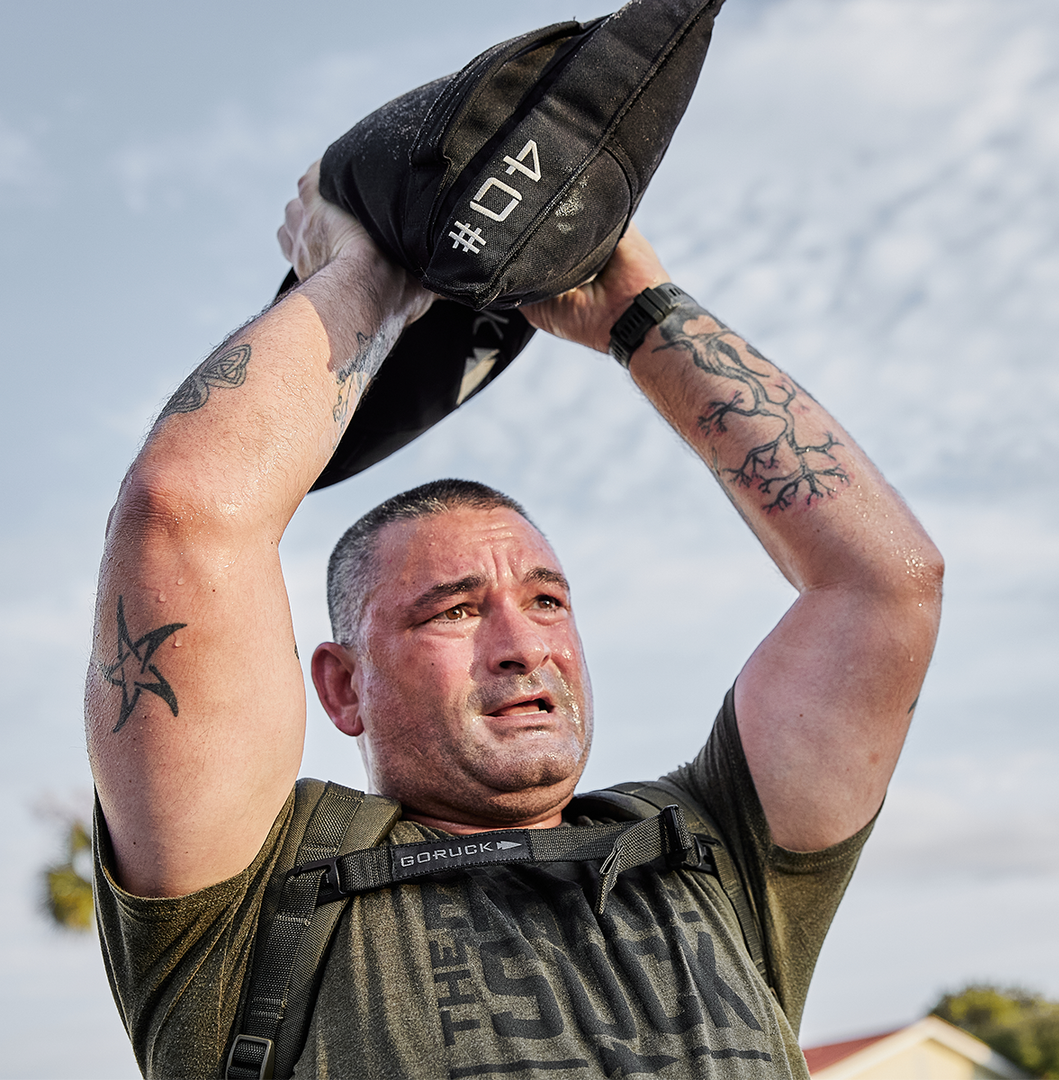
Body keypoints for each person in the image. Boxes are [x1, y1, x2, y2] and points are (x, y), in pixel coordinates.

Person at [88, 162, 943, 1079]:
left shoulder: (716, 849)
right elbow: (183, 511)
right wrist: (370, 271)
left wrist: (633, 307)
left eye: (547, 601)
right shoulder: (251, 892)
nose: (524, 646)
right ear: (343, 685)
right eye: (456, 610)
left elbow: (884, 585)